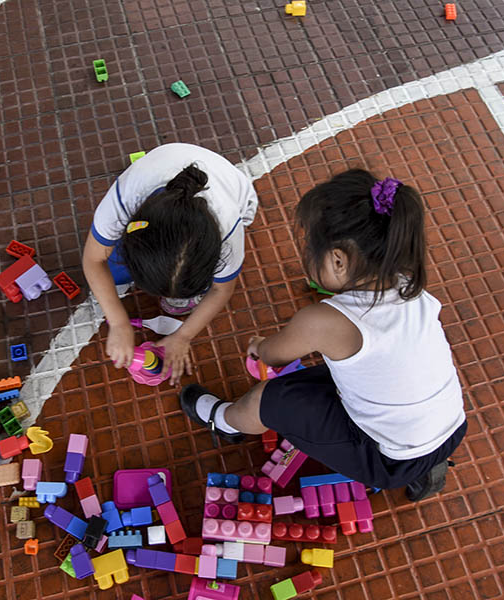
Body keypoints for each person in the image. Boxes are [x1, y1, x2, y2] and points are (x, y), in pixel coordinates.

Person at [180, 169, 467, 500]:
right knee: (343, 378)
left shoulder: (321, 320)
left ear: (338, 262)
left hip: (385, 457)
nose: (305, 250)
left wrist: (260, 346)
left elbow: (273, 355)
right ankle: (428, 465)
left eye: (309, 245)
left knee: (267, 399)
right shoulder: (408, 285)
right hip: (449, 427)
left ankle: (225, 422)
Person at [83, 143, 258, 384]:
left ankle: (187, 288)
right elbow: (93, 259)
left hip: (233, 189)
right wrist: (118, 321)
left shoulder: (228, 232)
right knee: (109, 271)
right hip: (163, 170)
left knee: (117, 273)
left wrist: (183, 336)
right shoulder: (123, 200)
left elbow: (222, 288)